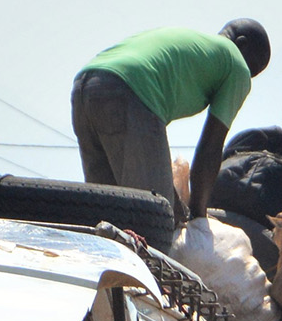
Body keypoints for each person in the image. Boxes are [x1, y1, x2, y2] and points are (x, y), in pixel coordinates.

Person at [72, 21, 270, 220]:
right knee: (155, 215)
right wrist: (198, 216)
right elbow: (210, 147)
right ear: (242, 44)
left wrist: (178, 210)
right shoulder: (235, 63)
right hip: (130, 90)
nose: (249, 76)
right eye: (253, 68)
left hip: (85, 87)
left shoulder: (193, 43)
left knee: (106, 214)